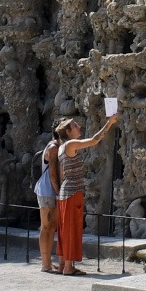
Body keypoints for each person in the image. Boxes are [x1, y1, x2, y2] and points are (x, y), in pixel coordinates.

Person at [54, 114, 119, 276]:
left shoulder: (61, 147)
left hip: (64, 191)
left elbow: (62, 173)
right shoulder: (71, 144)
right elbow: (95, 140)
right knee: (71, 228)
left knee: (64, 229)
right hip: (72, 192)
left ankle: (63, 264)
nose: (78, 127)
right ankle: (69, 267)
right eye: (75, 126)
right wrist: (109, 123)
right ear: (68, 131)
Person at [35, 129, 62, 273]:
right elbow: (52, 172)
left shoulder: (58, 147)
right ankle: (45, 264)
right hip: (47, 190)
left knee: (52, 227)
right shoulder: (53, 148)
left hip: (51, 190)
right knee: (46, 226)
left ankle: (49, 262)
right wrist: (58, 193)